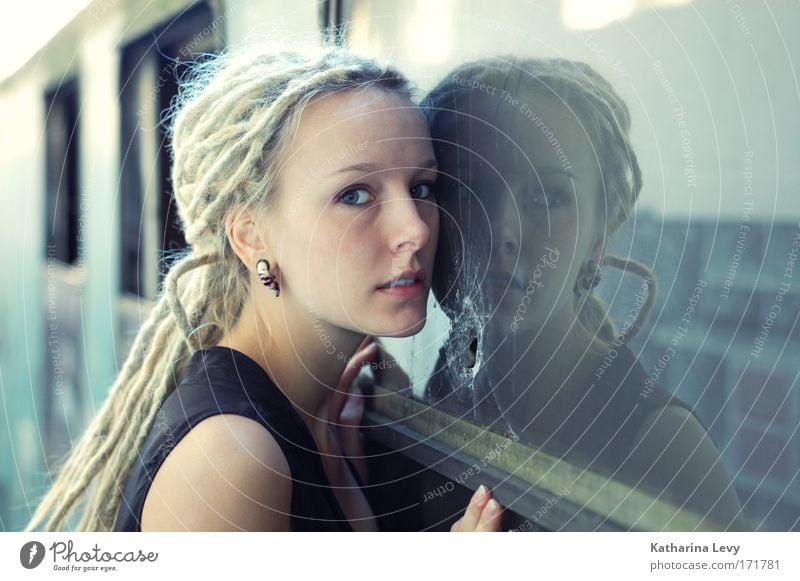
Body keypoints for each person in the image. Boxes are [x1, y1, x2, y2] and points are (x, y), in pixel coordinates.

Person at [25, 44, 504, 532]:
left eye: (421, 187)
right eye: (354, 195)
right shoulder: (233, 459)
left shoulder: (323, 415)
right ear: (252, 235)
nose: (417, 230)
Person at [408, 56, 744, 528]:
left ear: (599, 231)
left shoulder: (665, 449)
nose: (504, 230)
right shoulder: (452, 379)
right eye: (470, 189)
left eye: (547, 197)